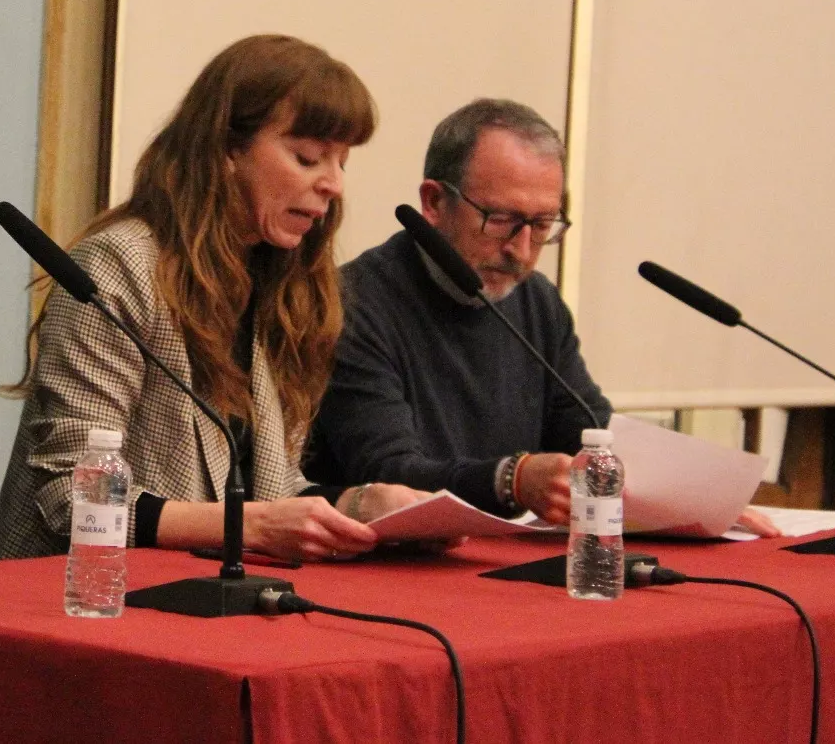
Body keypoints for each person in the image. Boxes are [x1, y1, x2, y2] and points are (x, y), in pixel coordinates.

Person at [0, 35, 426, 564]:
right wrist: (254, 526)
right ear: (226, 152)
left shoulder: (283, 284)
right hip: (74, 599)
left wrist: (361, 505)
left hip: (206, 595)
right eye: (308, 157)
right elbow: (76, 497)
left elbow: (269, 484)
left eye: (341, 162)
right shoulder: (117, 267)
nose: (332, 184)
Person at [307, 98, 779, 536]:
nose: (522, 250)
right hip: (386, 570)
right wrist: (512, 479)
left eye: (541, 224)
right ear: (433, 202)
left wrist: (688, 497)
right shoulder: (350, 302)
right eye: (501, 220)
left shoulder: (535, 300)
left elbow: (586, 430)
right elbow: (386, 475)